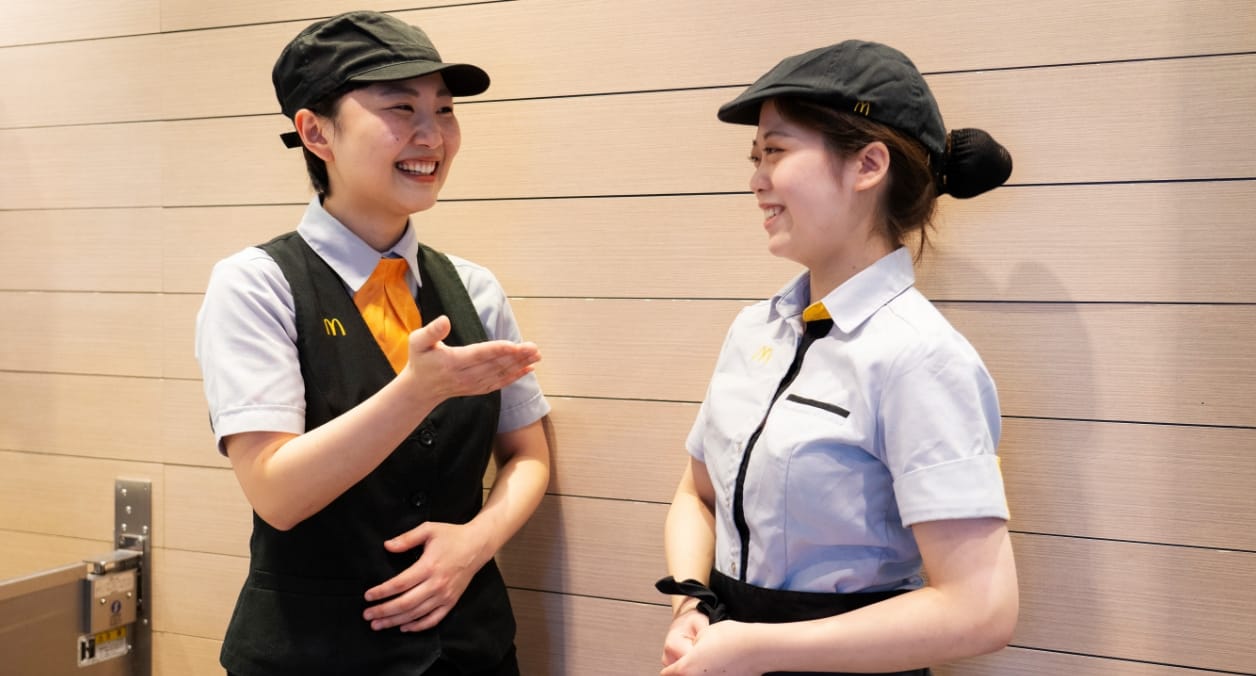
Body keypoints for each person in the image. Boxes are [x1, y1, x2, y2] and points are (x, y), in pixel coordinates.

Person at [194, 11, 551, 676]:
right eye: (401, 107)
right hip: (310, 658)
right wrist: (417, 392)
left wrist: (474, 544)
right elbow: (276, 492)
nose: (432, 135)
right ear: (315, 132)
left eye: (444, 110)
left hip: (472, 650)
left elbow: (528, 453)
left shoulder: (474, 288)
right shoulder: (257, 284)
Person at [657, 40, 1018, 676]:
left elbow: (981, 608)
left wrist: (756, 647)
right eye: (755, 156)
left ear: (868, 165)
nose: (756, 179)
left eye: (775, 151)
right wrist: (691, 601)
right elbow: (699, 493)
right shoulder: (753, 330)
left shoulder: (922, 358)